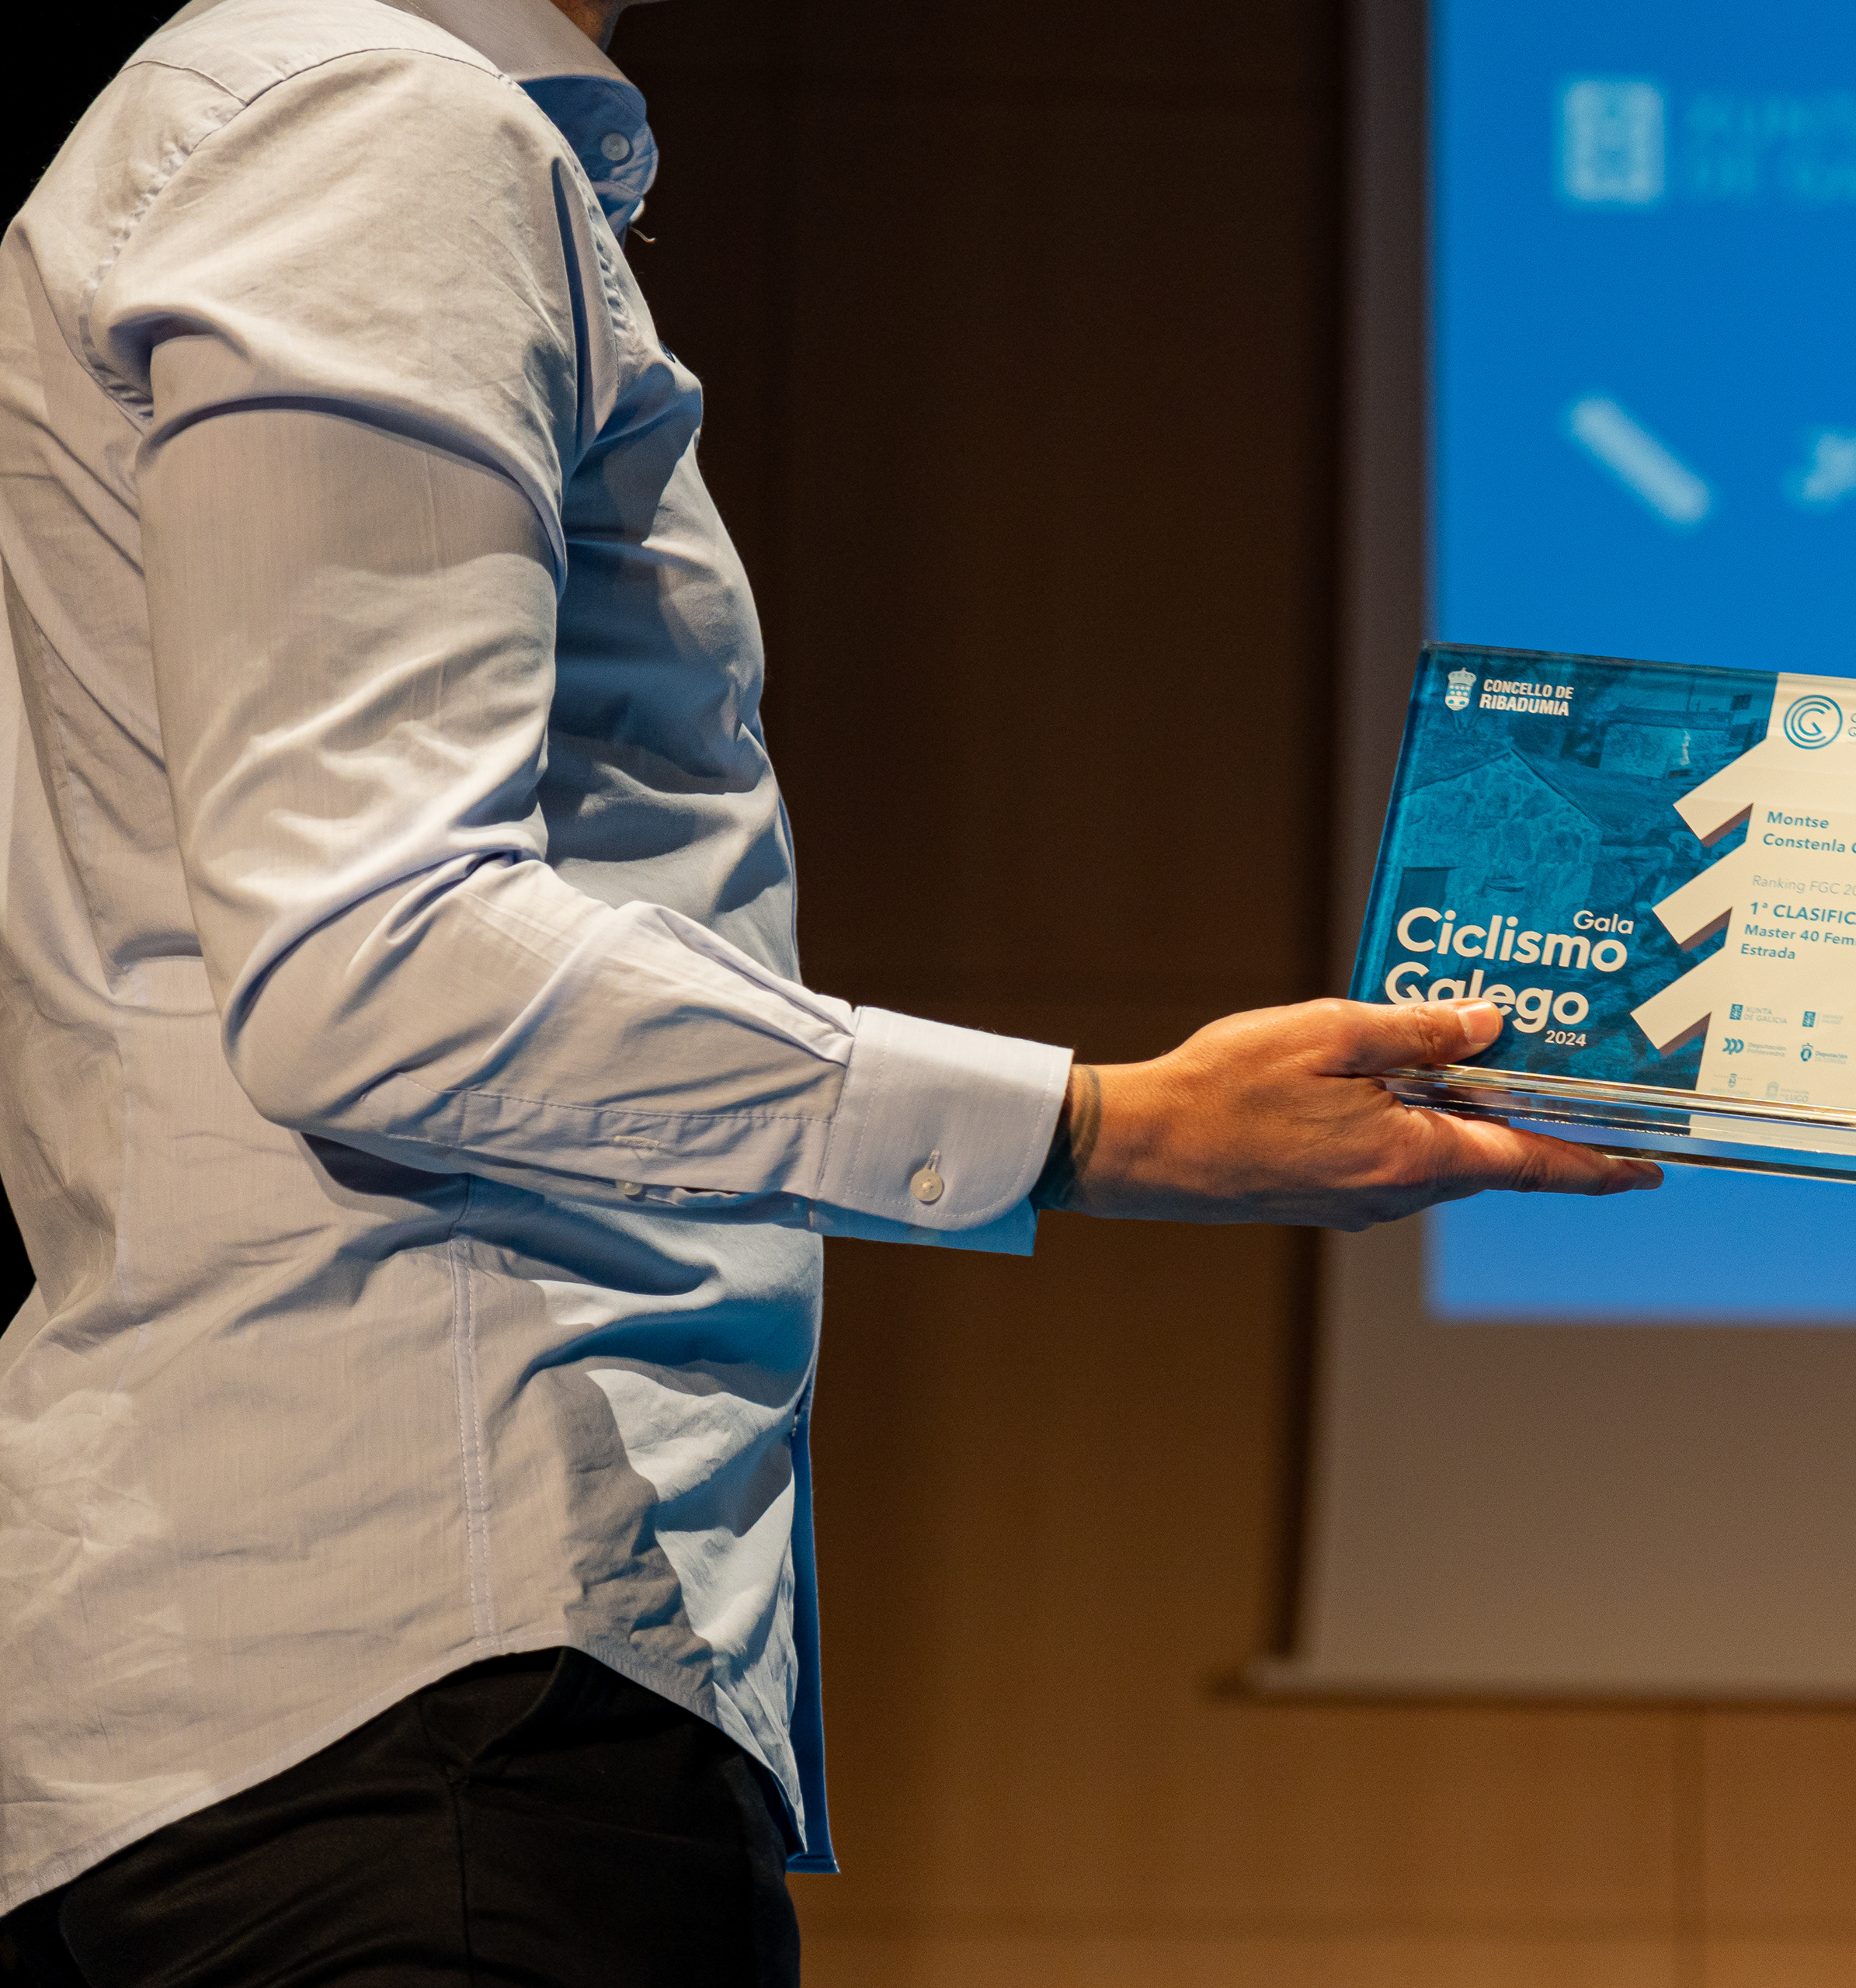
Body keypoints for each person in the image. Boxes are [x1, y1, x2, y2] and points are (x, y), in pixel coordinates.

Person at [0, 0, 1660, 1975]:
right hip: (425, 1691)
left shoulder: (293, 116)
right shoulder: (369, 122)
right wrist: (1108, 1127)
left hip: (337, 1689)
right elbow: (375, 958)